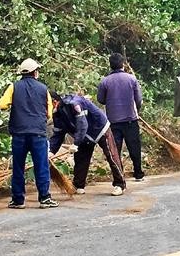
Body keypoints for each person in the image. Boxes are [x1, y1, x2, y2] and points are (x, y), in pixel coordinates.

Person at [0, 58, 58, 209]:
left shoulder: (14, 86)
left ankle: (18, 200)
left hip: (19, 134)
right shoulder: (44, 89)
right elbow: (49, 114)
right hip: (38, 133)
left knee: (18, 166)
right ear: (35, 72)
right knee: (41, 166)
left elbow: (2, 104)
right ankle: (44, 198)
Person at [49, 92, 126, 196]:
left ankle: (120, 184)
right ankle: (78, 185)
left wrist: (76, 143)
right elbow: (58, 133)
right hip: (83, 136)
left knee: (111, 155)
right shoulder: (57, 114)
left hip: (99, 128)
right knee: (81, 158)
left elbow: (82, 125)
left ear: (54, 102)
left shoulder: (74, 104)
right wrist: (51, 151)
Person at [97, 53, 145, 181]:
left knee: (115, 150)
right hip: (130, 119)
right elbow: (139, 100)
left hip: (113, 121)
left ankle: (120, 176)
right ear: (123, 64)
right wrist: (137, 112)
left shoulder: (105, 81)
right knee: (134, 147)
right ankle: (138, 174)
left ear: (110, 65)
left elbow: (100, 99)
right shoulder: (131, 79)